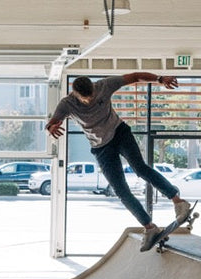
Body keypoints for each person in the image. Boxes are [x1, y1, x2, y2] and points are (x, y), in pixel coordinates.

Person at [46, 73, 193, 252]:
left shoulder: (103, 85)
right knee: (121, 191)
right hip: (101, 148)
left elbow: (135, 77)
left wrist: (160, 79)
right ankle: (150, 228)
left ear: (93, 87)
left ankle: (178, 202)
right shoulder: (66, 104)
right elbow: (52, 122)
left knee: (140, 168)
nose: (90, 100)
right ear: (75, 94)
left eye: (92, 96)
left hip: (120, 133)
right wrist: (51, 127)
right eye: (85, 99)